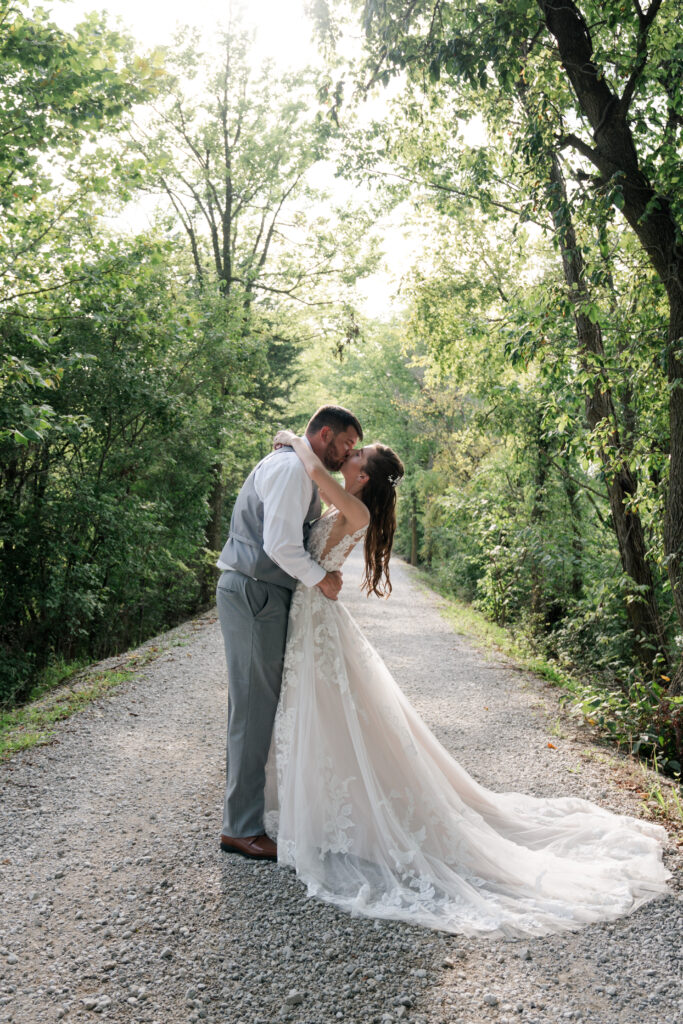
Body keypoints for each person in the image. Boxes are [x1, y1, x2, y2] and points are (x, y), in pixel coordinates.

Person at [263, 431, 671, 938]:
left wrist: (288, 439)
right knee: (321, 712)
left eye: (356, 455)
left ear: (363, 477)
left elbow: (315, 473)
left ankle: (344, 815)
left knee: (331, 709)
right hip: (313, 616)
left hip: (317, 618)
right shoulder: (351, 503)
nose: (348, 455)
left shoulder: (355, 508)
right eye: (350, 450)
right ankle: (320, 807)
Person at [216, 405, 362, 861]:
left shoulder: (300, 466)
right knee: (252, 709)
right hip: (256, 591)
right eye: (346, 444)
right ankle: (240, 828)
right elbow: (279, 546)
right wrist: (321, 577)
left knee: (257, 705)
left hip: (263, 593)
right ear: (324, 434)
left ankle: (244, 817)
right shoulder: (291, 472)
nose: (347, 453)